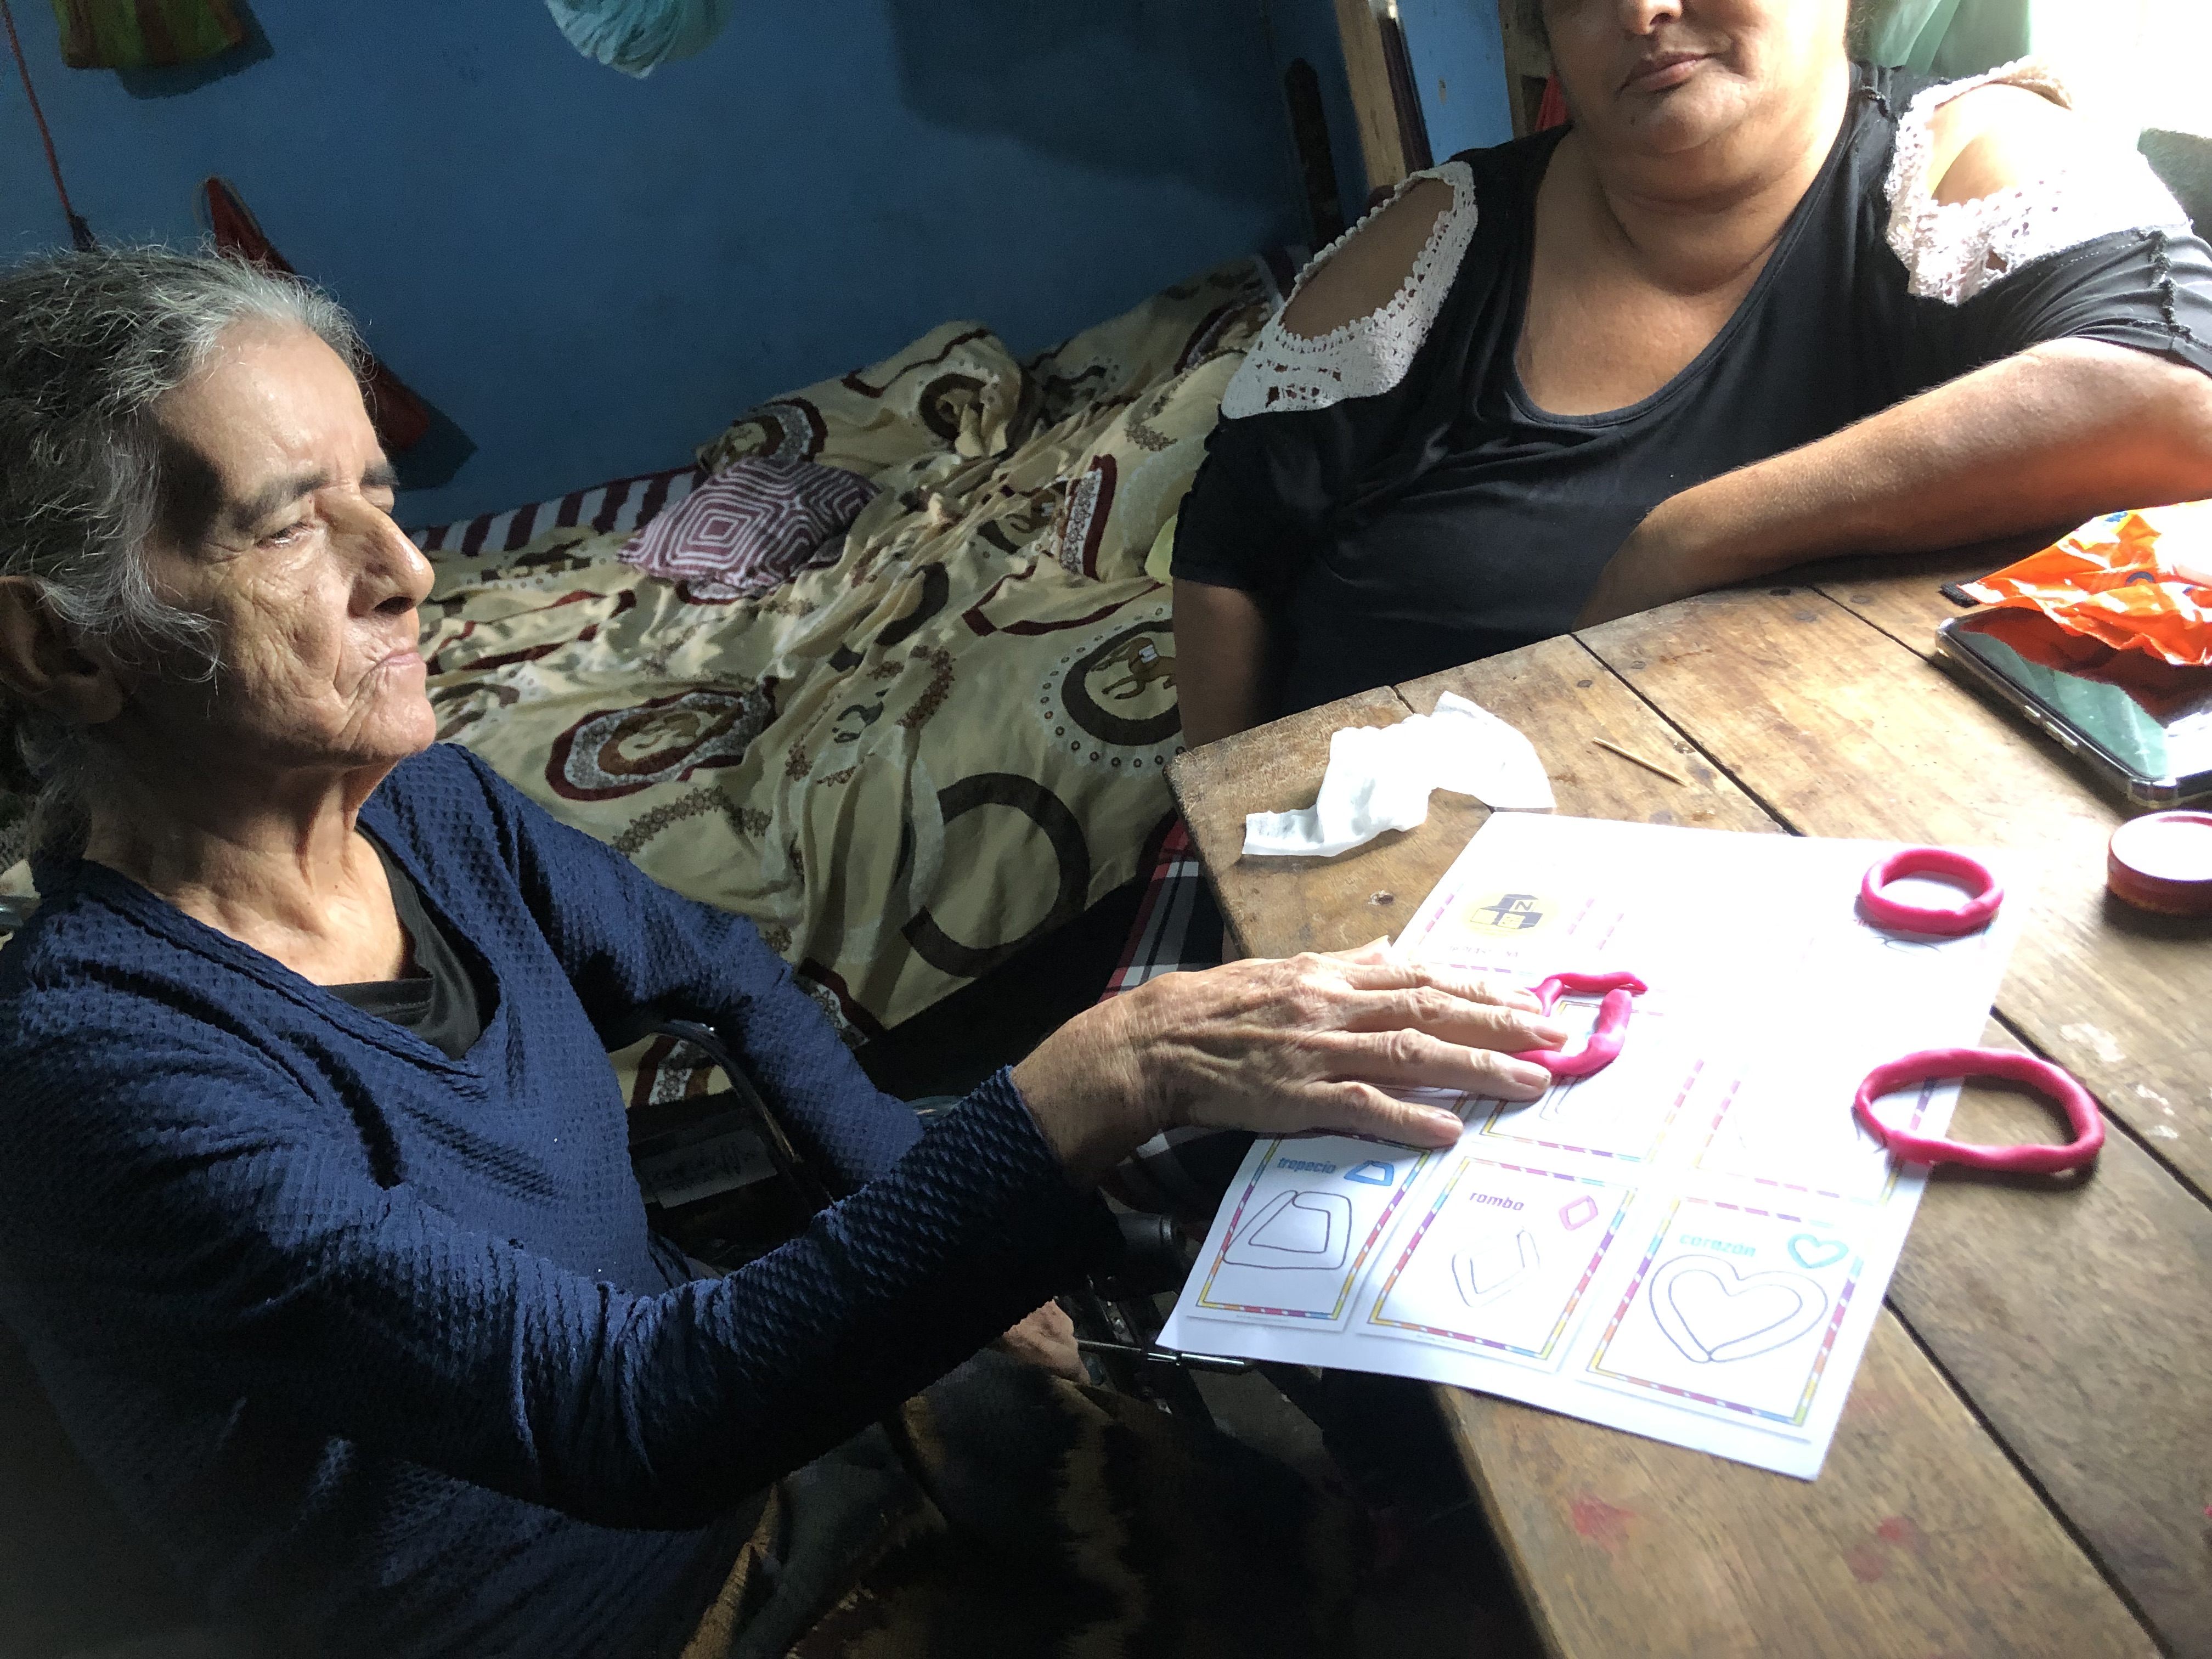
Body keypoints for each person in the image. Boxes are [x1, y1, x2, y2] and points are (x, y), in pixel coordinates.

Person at [0, 250, 1573, 1658]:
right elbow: (629, 1414)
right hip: (620, 1604)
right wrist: (1102, 1080)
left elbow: (721, 971)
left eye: (381, 494)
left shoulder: (432, 814)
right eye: (289, 522)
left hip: (744, 1440)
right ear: (61, 644)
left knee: (1307, 1516)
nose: (406, 572)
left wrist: (906, 1189)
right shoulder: (101, 1077)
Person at [1172, 0, 2212, 744]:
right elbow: (1226, 561)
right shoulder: (1432, 249)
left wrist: (1687, 543)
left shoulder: (1966, 160)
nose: (1641, 12)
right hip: (1358, 901)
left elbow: (2174, 403)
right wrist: (1235, 883)